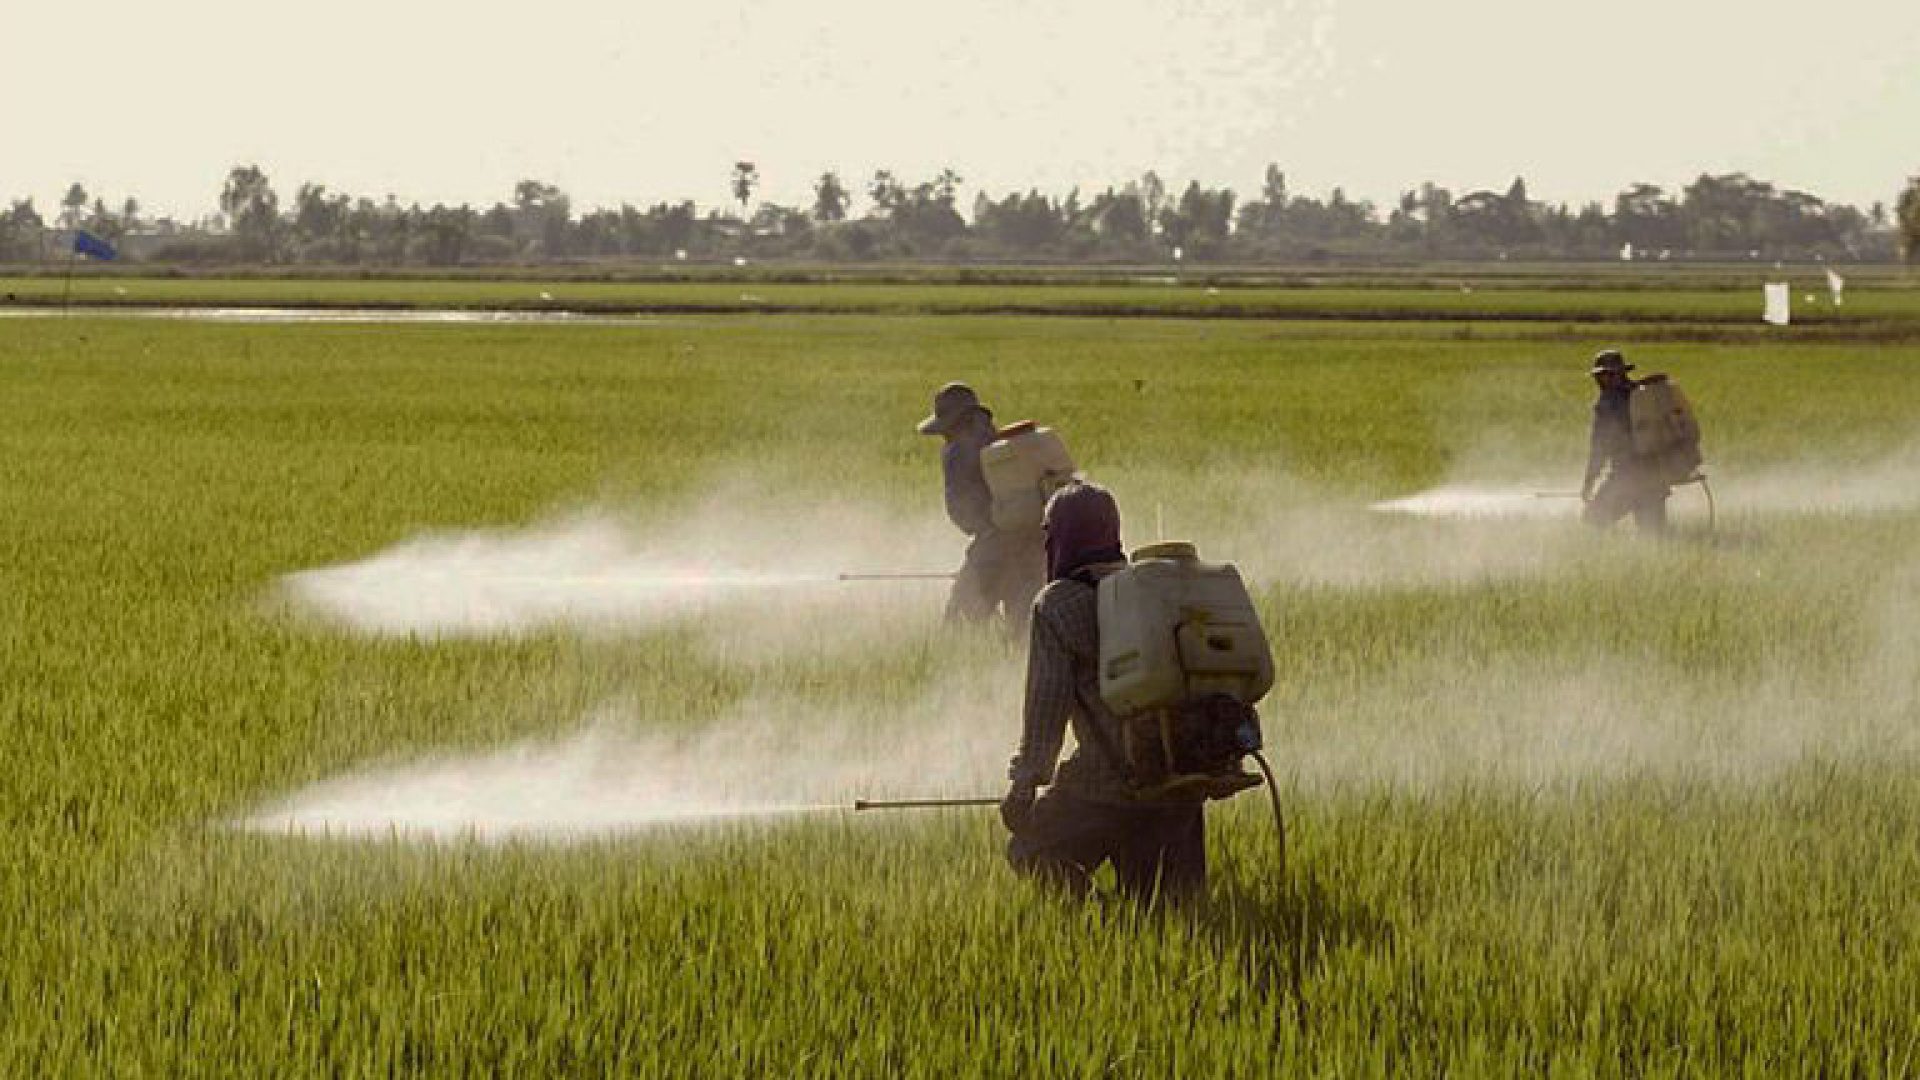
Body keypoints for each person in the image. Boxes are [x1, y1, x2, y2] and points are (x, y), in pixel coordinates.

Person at [999, 480, 1207, 905]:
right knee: (1173, 918)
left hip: (1103, 785)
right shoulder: (1153, 591)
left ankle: (1103, 919)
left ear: (1060, 539)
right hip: (1180, 781)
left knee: (1030, 852)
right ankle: (1124, 933)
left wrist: (1024, 787)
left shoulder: (1057, 604)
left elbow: (1045, 715)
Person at [917, 382, 1046, 633]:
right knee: (1023, 625)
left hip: (995, 543)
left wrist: (979, 559)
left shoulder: (956, 451)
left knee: (958, 625)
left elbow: (963, 510)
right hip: (1035, 539)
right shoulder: (996, 439)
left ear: (952, 423)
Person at [1581, 350, 1670, 533]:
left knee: (1592, 521)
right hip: (1657, 477)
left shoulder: (1607, 403)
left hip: (1626, 478)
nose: (1601, 380)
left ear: (1617, 374)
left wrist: (1589, 481)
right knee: (1654, 536)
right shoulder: (1643, 394)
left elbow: (1599, 446)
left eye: (1604, 375)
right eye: (1600, 376)